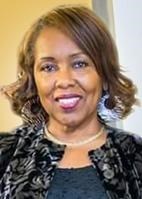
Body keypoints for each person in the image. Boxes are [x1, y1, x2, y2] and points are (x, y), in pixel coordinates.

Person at [0, 4, 142, 199]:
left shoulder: (136, 156)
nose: (65, 81)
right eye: (48, 67)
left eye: (80, 64)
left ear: (105, 76)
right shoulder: (6, 152)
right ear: (33, 80)